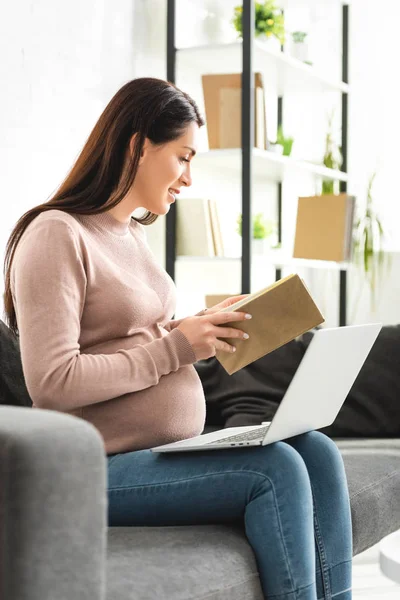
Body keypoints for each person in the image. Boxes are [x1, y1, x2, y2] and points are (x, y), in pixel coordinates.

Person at [3, 77, 352, 600]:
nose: (189, 178)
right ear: (138, 146)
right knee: (274, 468)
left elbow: (123, 338)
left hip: (162, 451)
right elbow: (53, 382)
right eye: (183, 157)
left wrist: (197, 328)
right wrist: (175, 347)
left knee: (317, 450)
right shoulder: (57, 233)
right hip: (91, 469)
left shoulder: (133, 235)